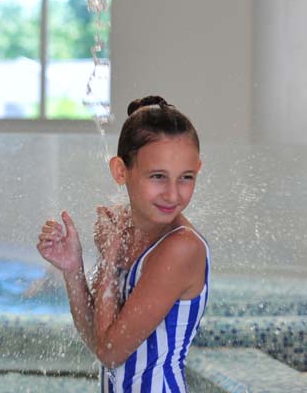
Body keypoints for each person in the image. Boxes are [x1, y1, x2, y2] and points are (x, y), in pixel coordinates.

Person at [37, 96, 209, 392]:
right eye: (158, 176)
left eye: (186, 177)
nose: (172, 194)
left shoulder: (181, 248)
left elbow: (110, 353)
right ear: (120, 171)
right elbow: (97, 338)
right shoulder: (129, 230)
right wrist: (73, 268)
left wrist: (111, 256)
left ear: (198, 169)